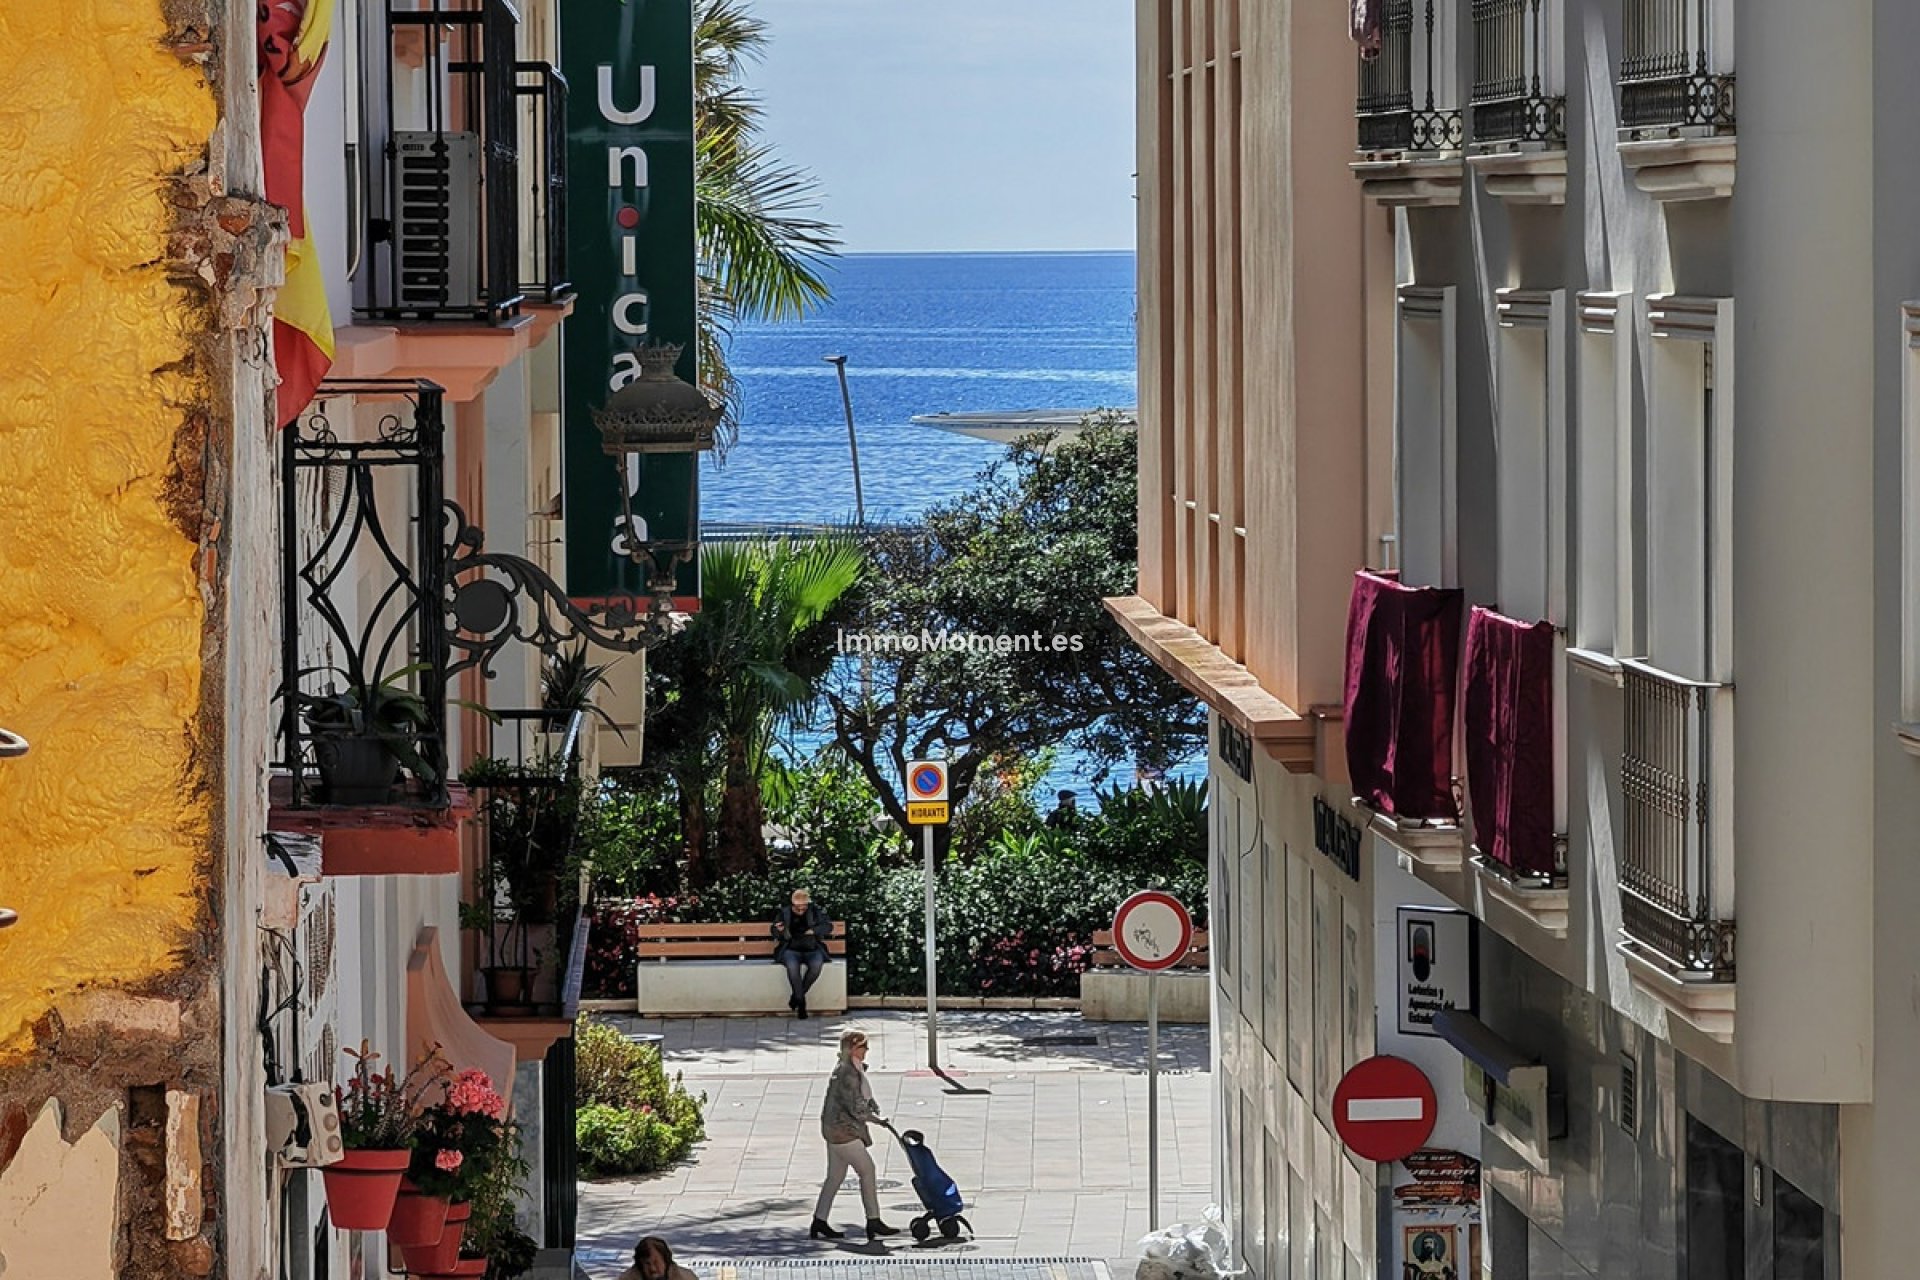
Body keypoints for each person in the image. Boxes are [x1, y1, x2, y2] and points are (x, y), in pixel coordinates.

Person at [810, 1030, 899, 1242]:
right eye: (863, 1046)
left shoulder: (847, 1067)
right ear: (852, 1049)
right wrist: (877, 1120)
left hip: (833, 1130)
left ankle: (819, 1221)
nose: (867, 1050)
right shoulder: (848, 1074)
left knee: (834, 1177)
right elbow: (856, 1108)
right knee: (867, 1170)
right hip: (844, 1131)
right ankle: (873, 1220)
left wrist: (871, 1104)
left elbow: (860, 1096)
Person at [773, 888, 834, 1019]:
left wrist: (814, 931)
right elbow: (774, 931)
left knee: (816, 966)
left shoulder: (814, 911)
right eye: (798, 907)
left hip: (811, 948)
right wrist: (779, 930)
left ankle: (796, 996)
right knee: (792, 968)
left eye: (804, 907)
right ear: (792, 904)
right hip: (791, 948)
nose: (801, 910)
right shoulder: (784, 913)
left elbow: (828, 926)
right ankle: (801, 1004)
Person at [618, 1236, 696, 1280]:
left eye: (656, 1262)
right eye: (647, 1264)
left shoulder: (686, 1278)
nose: (652, 1269)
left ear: (665, 1261)